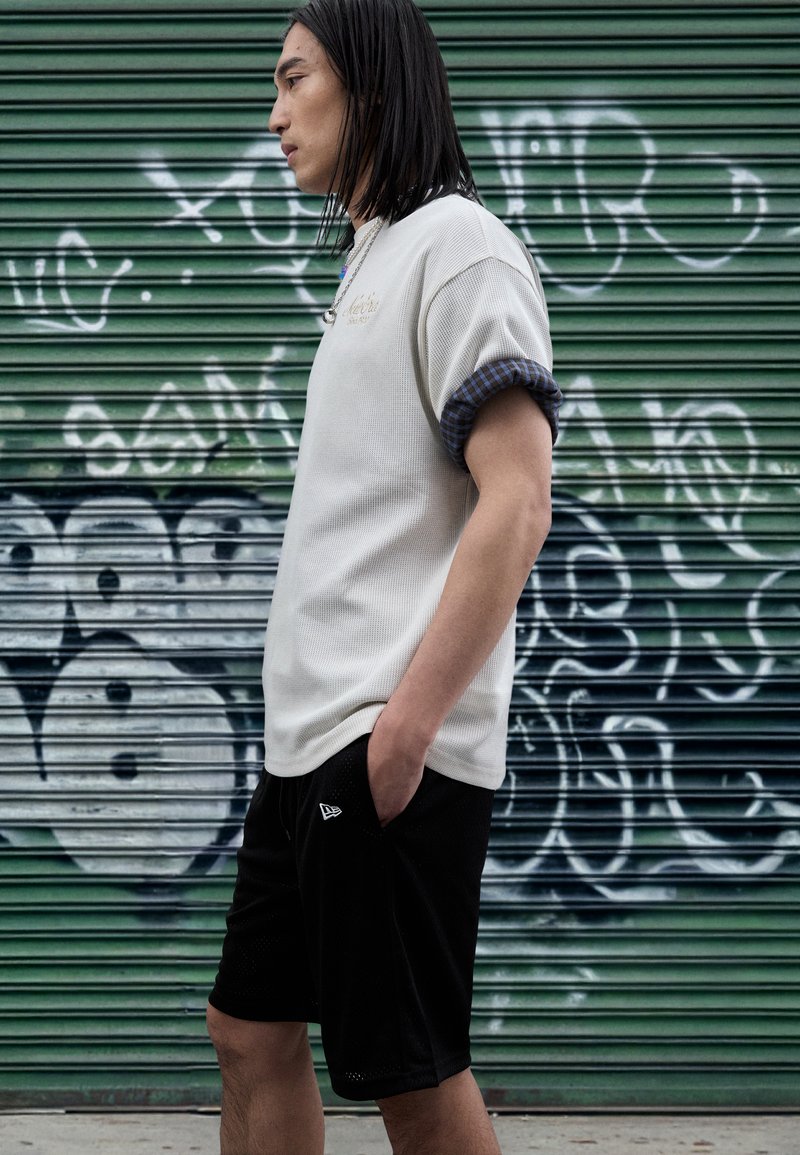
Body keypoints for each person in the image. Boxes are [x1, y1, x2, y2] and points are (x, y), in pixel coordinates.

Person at [206, 0, 561, 1151]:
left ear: (367, 83)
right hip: (308, 745)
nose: (273, 116)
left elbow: (516, 498)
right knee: (249, 1030)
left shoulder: (458, 247)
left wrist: (404, 731)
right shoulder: (377, 256)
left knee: (406, 1074)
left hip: (379, 744)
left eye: (293, 80)